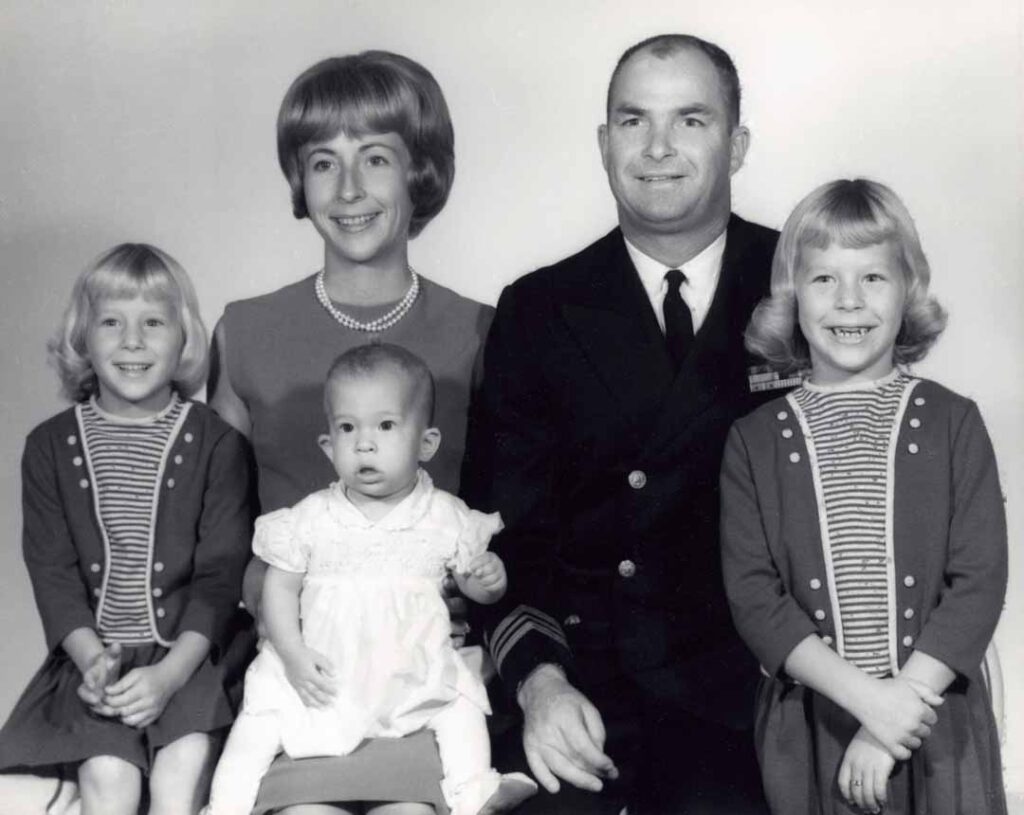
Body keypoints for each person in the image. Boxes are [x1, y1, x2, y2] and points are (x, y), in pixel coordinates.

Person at [463, 34, 779, 813]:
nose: (658, 147)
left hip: (756, 679)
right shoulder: (538, 309)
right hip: (585, 676)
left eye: (691, 121)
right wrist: (539, 683)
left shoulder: (806, 287)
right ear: (605, 145)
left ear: (738, 145)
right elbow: (505, 534)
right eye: (635, 121)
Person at [208, 51, 493, 814]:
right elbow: (220, 533)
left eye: (376, 158)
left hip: (426, 673)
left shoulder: (481, 333)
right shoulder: (244, 333)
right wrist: (282, 609)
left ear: (419, 172)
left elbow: (503, 521)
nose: (348, 189)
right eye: (322, 162)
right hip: (298, 667)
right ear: (299, 181)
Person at [721, 178, 1008, 815]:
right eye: (824, 279)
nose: (849, 300)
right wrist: (869, 702)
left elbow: (979, 580)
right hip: (812, 727)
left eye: (873, 277)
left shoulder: (954, 422)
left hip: (934, 720)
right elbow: (755, 598)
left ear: (908, 290)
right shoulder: (753, 441)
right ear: (791, 296)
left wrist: (891, 719)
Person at [206, 345, 536, 815]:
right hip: (323, 668)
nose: (364, 444)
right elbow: (279, 589)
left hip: (408, 667)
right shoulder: (310, 518)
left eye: (385, 426)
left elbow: (475, 588)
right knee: (260, 717)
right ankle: (225, 806)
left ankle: (473, 789)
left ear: (426, 443)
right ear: (328, 447)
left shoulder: (445, 516)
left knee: (459, 701)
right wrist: (294, 655)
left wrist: (488, 579)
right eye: (347, 428)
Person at [0, 244, 254, 815]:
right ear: (83, 338)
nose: (132, 341)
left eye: (153, 323)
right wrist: (94, 664)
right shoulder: (49, 446)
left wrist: (169, 676)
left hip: (193, 658)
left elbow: (219, 578)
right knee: (107, 777)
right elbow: (53, 574)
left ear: (184, 339)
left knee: (181, 772)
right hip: (95, 660)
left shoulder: (217, 443)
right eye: (111, 322)